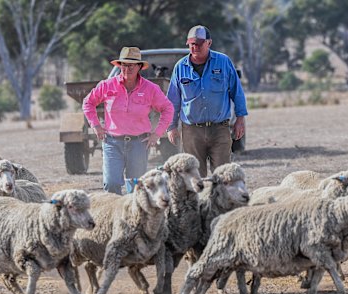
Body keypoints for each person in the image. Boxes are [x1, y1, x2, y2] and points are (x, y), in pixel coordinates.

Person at [83, 46, 174, 194]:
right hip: (112, 142)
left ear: (139, 67)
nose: (127, 68)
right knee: (111, 184)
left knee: (136, 188)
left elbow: (168, 108)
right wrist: (96, 125)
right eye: (124, 65)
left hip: (139, 144)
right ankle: (115, 215)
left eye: (132, 65)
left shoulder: (150, 89)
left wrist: (157, 133)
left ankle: (133, 216)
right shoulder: (107, 85)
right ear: (119, 66)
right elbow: (88, 103)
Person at [167, 25, 248, 177]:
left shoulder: (223, 62)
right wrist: (171, 126)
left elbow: (237, 92)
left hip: (219, 130)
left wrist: (240, 119)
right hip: (191, 131)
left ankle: (222, 201)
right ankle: (201, 201)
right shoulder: (180, 67)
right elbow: (173, 100)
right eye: (192, 43)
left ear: (209, 43)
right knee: (195, 177)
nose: (195, 47)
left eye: (199, 43)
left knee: (224, 175)